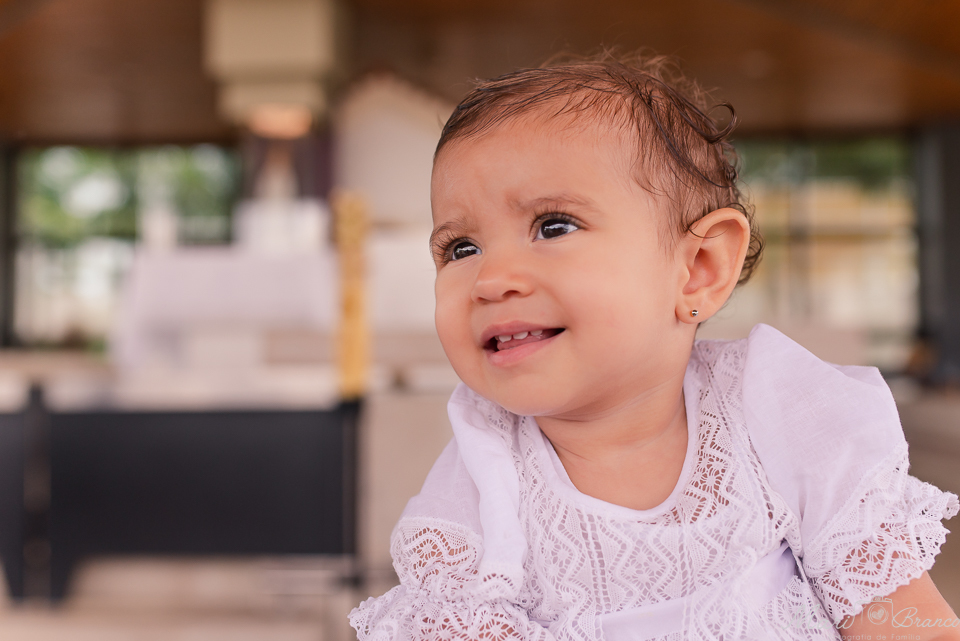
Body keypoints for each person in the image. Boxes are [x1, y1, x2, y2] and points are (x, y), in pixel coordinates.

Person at [349, 52, 960, 640]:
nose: (490, 279)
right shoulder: (484, 473)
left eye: (553, 226)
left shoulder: (775, 412)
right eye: (461, 248)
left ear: (697, 268)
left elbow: (911, 628)